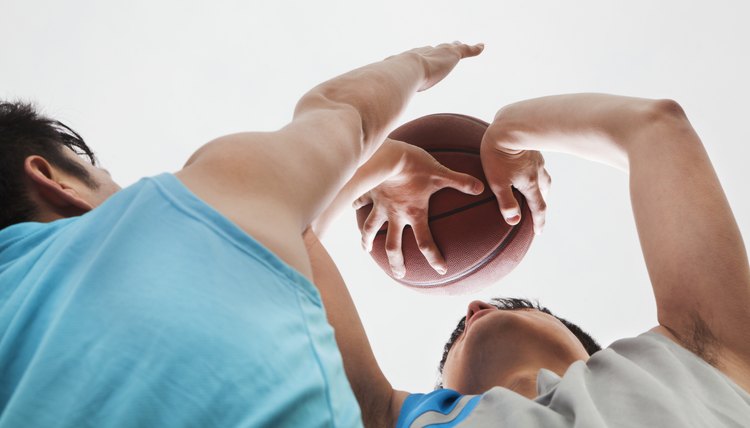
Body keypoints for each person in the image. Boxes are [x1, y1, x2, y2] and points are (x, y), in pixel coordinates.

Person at [0, 42, 483, 427]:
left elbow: (290, 243)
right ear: (55, 182)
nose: (123, 192)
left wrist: (389, 163)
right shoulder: (165, 217)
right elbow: (342, 113)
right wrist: (421, 62)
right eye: (102, 176)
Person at [305, 94, 750, 427]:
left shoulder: (699, 356)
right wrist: (382, 165)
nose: (474, 309)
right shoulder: (383, 417)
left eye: (521, 304)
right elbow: (283, 234)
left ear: (591, 352)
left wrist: (510, 131)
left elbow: (657, 126)